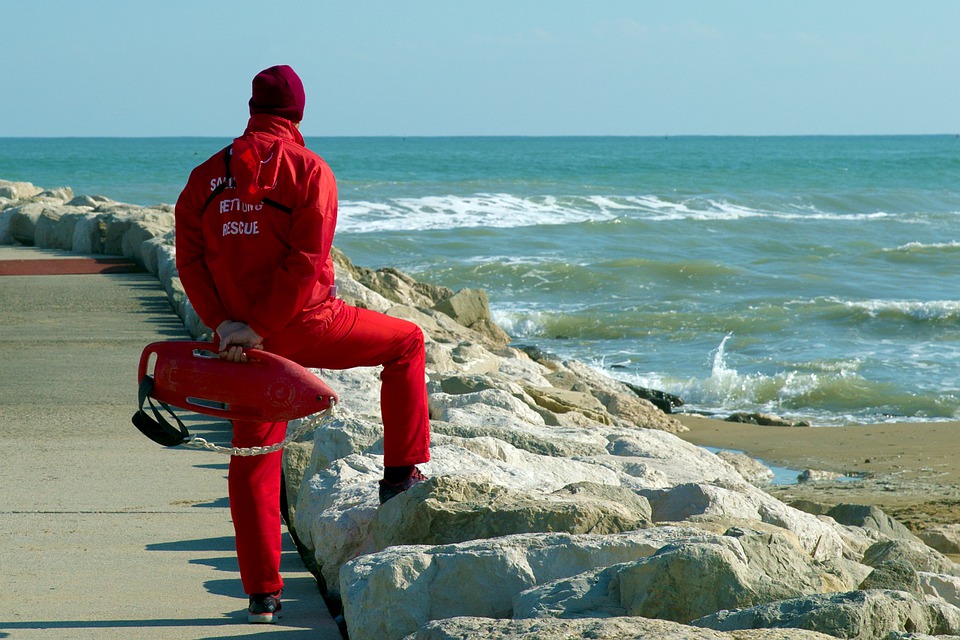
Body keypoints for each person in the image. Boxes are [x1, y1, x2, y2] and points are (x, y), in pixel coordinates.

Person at [174, 65, 431, 624]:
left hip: (243, 345)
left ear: (251, 108)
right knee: (408, 342)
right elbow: (307, 260)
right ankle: (400, 473)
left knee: (253, 457)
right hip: (310, 325)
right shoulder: (310, 170)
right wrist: (264, 325)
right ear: (298, 113)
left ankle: (263, 594)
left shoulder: (203, 178)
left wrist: (225, 325)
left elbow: (189, 261)